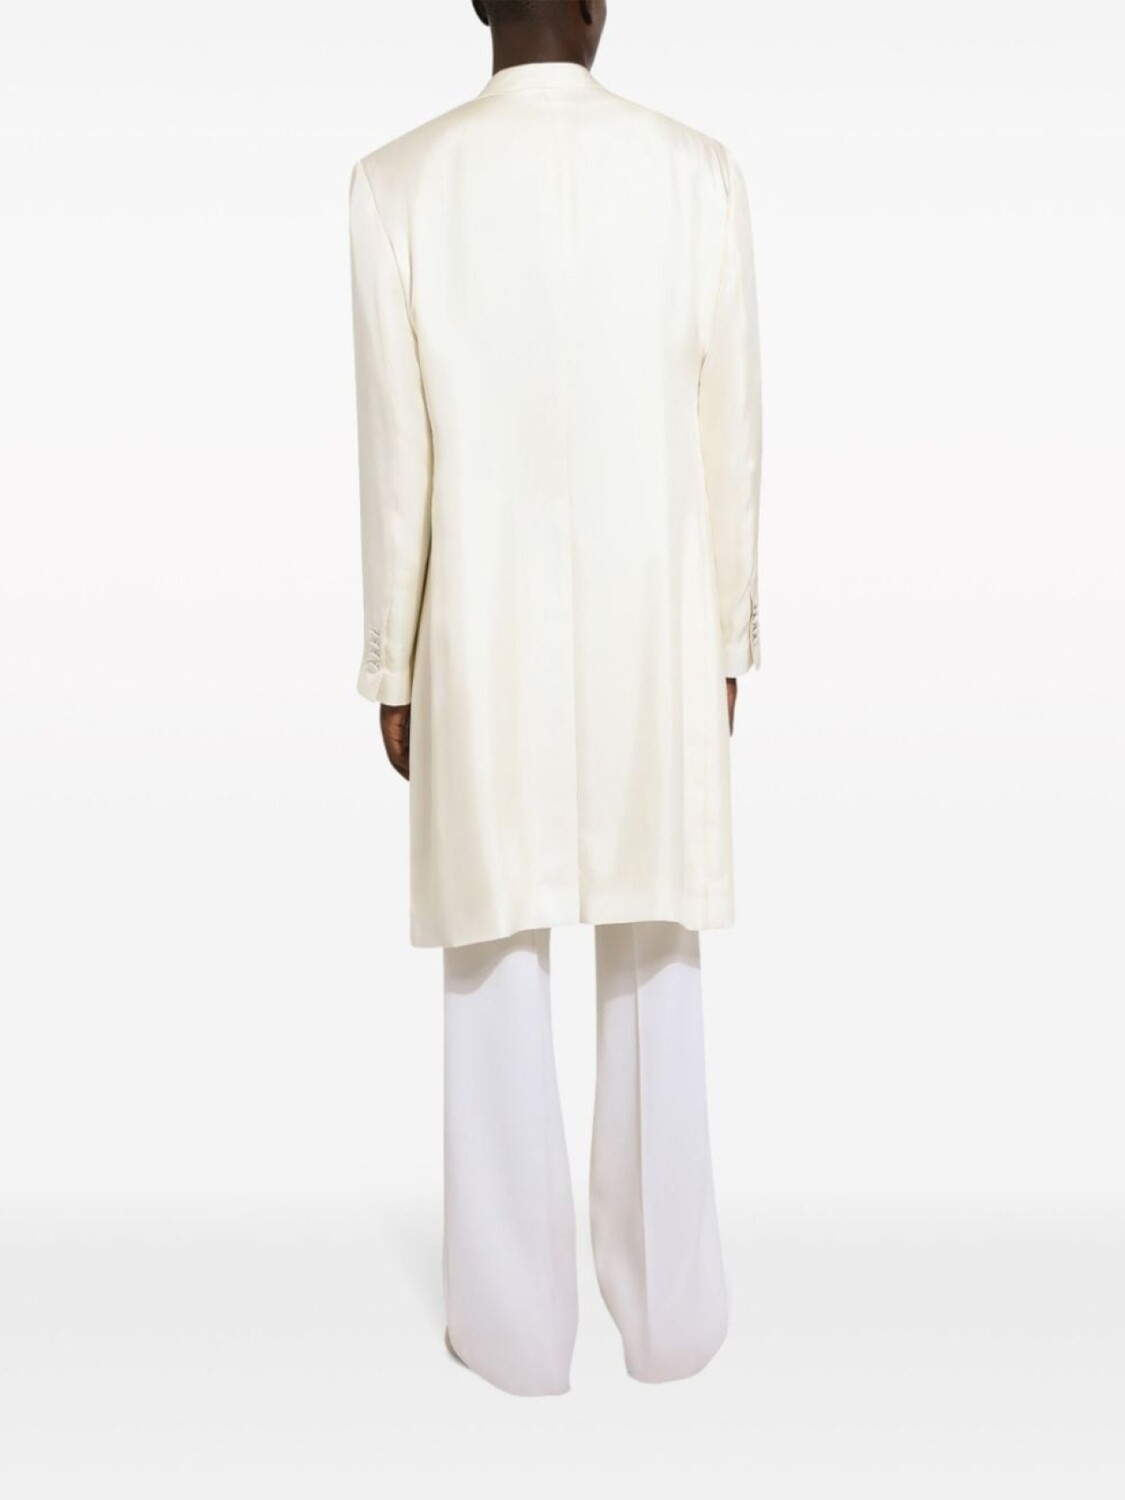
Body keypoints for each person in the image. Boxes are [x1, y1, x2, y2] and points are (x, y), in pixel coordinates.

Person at [347, 0, 763, 1397]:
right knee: (656, 956)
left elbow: (396, 456)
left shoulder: (398, 183)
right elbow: (730, 431)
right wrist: (726, 638)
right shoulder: (697, 172)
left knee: (491, 955)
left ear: (479, 5)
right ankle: (672, 1319)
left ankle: (515, 1333)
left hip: (478, 622)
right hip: (658, 621)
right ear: (598, 9)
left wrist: (394, 662)